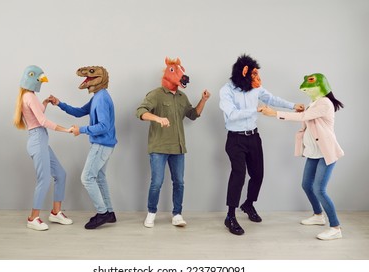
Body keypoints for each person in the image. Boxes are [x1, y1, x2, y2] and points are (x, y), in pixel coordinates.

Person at [219, 54, 304, 235]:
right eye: (254, 74)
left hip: (253, 138)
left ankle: (248, 204)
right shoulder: (226, 91)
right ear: (244, 73)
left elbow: (271, 99)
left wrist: (292, 105)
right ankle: (230, 216)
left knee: (258, 174)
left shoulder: (255, 88)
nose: (257, 78)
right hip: (236, 140)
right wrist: (255, 109)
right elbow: (232, 114)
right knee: (239, 174)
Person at [260, 73, 344, 240]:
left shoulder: (325, 103)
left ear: (321, 87)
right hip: (313, 153)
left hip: (326, 153)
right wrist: (298, 107)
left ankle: (335, 227)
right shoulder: (313, 103)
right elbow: (306, 114)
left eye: (309, 89)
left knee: (319, 190)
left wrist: (275, 113)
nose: (306, 92)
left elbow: (304, 117)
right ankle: (318, 216)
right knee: (306, 185)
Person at [136, 57, 210, 228]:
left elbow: (193, 114)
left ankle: (177, 214)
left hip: (178, 148)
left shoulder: (182, 96)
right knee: (156, 182)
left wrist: (203, 100)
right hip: (159, 148)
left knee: (179, 182)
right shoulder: (155, 94)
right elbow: (140, 112)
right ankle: (151, 213)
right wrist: (158, 118)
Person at [49, 65, 117, 230]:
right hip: (105, 144)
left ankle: (102, 213)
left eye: (91, 74)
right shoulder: (97, 97)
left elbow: (103, 126)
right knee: (99, 177)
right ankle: (110, 212)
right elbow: (79, 112)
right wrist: (59, 104)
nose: (86, 78)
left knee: (87, 177)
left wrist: (81, 130)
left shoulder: (101, 99)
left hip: (101, 144)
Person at [13, 65, 73, 231]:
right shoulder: (29, 96)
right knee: (44, 179)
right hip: (38, 140)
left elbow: (36, 115)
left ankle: (55, 212)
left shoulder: (29, 95)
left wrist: (45, 102)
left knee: (60, 174)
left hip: (40, 140)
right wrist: (66, 129)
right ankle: (33, 218)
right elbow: (42, 122)